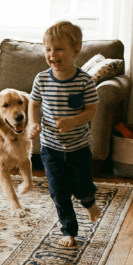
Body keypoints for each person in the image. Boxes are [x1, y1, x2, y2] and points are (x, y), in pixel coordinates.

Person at [27, 20, 102, 248]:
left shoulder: (84, 81)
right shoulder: (41, 79)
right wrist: (33, 123)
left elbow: (91, 110)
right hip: (50, 148)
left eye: (59, 49)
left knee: (81, 188)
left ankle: (89, 202)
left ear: (76, 51)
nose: (52, 54)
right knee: (58, 192)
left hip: (78, 147)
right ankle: (68, 230)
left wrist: (72, 121)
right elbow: (34, 103)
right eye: (48, 49)